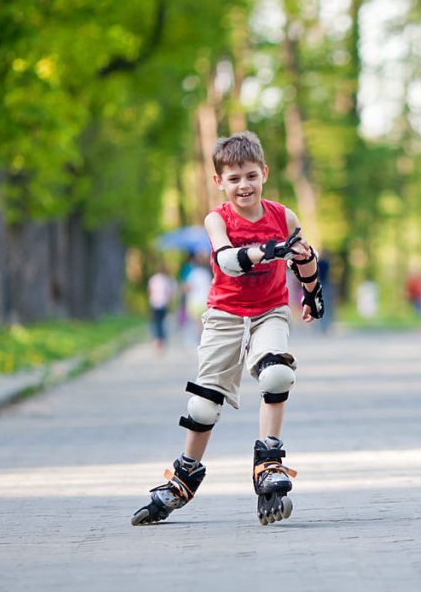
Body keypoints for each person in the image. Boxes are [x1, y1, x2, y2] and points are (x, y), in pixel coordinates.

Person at [132, 131, 325, 527]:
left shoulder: (283, 216)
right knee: (203, 404)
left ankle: (269, 460)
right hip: (224, 314)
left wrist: (311, 289)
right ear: (219, 181)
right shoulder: (216, 219)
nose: (244, 185)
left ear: (264, 173)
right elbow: (227, 260)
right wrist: (266, 251)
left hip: (269, 310)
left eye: (251, 176)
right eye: (234, 178)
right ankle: (185, 475)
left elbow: (302, 255)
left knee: (276, 373)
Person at [182, 253, 212, 345]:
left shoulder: (192, 273)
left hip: (194, 301)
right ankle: (203, 338)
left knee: (197, 322)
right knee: (203, 322)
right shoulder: (207, 273)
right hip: (205, 301)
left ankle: (201, 339)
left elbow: (187, 288)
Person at [146, 264, 177, 354]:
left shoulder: (154, 279)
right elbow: (170, 292)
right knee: (160, 322)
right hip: (162, 303)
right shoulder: (166, 280)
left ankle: (158, 339)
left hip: (155, 303)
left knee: (157, 322)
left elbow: (149, 290)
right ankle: (160, 339)